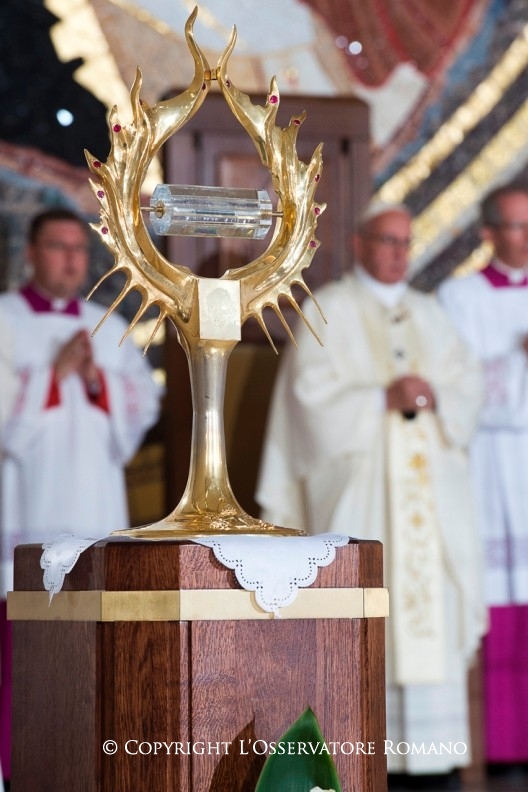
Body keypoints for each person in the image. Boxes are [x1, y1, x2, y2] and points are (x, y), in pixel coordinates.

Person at [256, 202, 487, 787]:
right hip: (364, 503)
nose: (397, 253)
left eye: (406, 243)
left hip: (427, 507)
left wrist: (433, 396)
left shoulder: (431, 314)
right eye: (386, 241)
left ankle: (435, 767)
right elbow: (308, 403)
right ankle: (360, 763)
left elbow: (467, 387)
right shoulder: (327, 311)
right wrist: (380, 399)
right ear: (359, 244)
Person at [0, 207, 162, 785]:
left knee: (90, 650)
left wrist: (96, 382)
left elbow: (142, 409)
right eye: (57, 246)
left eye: (78, 248)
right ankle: (18, 770)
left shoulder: (108, 325)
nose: (71, 258)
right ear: (30, 252)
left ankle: (86, 766)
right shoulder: (6, 321)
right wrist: (51, 377)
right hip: (23, 506)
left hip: (95, 504)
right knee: (21, 652)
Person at [439, 181, 528, 773]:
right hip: (488, 462)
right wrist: (518, 360)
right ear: (489, 232)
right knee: (498, 594)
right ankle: (500, 745)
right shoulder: (458, 296)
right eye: (516, 226)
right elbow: (456, 385)